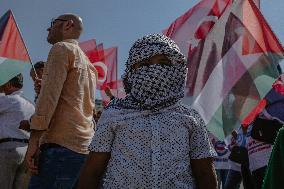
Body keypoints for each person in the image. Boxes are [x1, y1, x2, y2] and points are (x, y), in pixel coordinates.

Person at [77, 34, 217, 189]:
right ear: (132, 71)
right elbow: (93, 171)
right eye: (145, 63)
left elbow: (205, 173)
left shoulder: (191, 118)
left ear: (177, 68)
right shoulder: (114, 114)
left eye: (163, 62)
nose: (155, 69)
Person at [26, 13, 97, 189]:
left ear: (68, 26)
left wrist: (34, 140)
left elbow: (48, 98)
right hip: (82, 148)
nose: (48, 28)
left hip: (60, 147)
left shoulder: (61, 48)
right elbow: (76, 101)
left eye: (53, 23)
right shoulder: (90, 65)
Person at [0, 74, 35, 189]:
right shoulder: (30, 105)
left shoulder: (7, 100)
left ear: (9, 84)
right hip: (25, 150)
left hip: (8, 149)